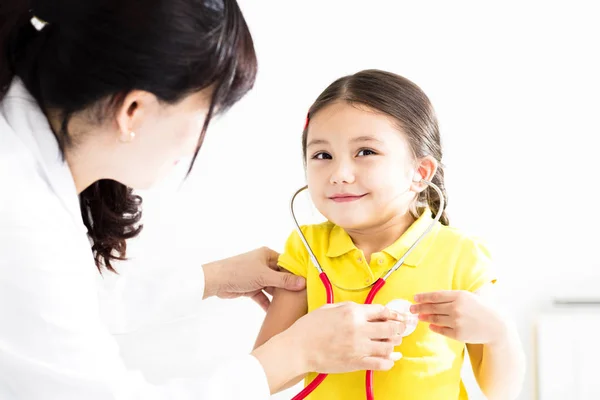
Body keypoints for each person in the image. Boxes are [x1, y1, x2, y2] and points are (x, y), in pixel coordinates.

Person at [0, 2, 407, 399]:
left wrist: (212, 278)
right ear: (134, 110)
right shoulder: (18, 212)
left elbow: (63, 305)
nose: (202, 140)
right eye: (206, 115)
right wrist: (296, 352)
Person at [254, 69, 526, 399]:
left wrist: (500, 334)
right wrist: (308, 344)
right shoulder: (307, 248)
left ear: (420, 173)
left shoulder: (460, 255)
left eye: (365, 152)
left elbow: (500, 392)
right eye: (322, 155)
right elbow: (265, 377)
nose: (339, 174)